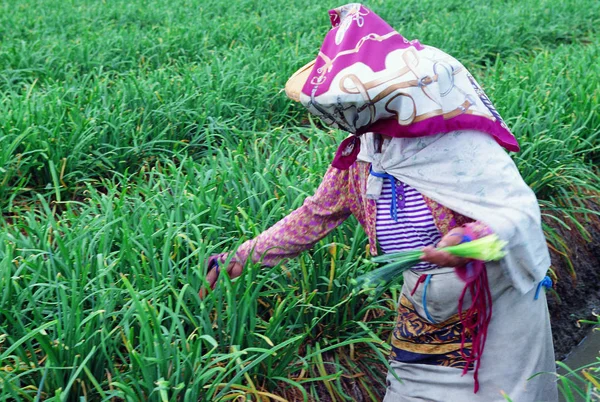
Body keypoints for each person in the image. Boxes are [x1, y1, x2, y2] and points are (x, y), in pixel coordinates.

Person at [203, 4, 559, 401]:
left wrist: (469, 240)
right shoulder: (363, 155)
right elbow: (314, 215)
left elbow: (516, 215)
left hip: (493, 313)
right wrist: (242, 257)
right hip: (423, 315)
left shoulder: (460, 149)